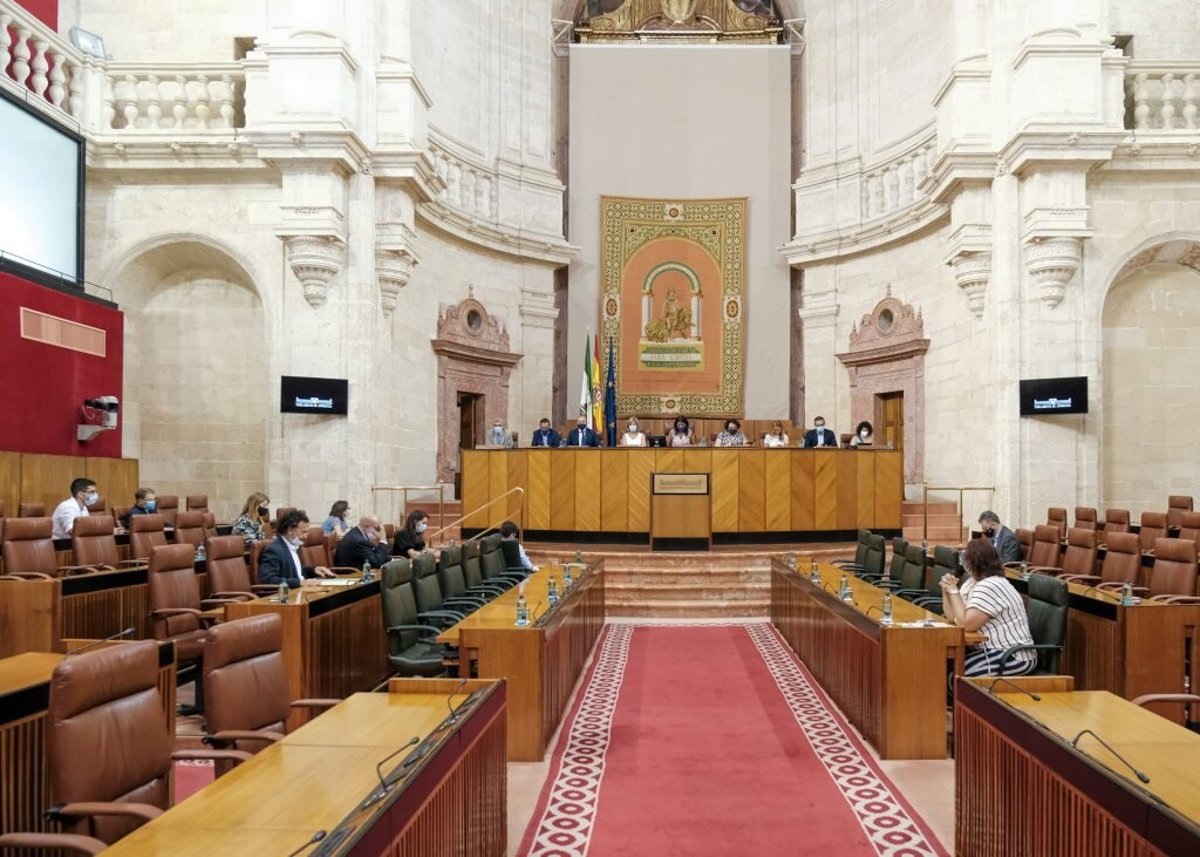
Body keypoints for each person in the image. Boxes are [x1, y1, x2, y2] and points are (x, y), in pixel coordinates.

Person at [939, 538, 1037, 676]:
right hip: (989, 650)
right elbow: (953, 617)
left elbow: (965, 624)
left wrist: (953, 590)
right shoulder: (972, 582)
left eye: (965, 559)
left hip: (1013, 654)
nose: (964, 564)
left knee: (955, 675)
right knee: (942, 667)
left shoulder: (992, 585)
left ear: (975, 563)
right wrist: (946, 590)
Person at [257, 511, 335, 587]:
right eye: (304, 532)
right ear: (290, 530)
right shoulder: (274, 550)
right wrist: (299, 583)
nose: (307, 536)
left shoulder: (294, 546)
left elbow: (296, 571)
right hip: (289, 593)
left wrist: (314, 570)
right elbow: (268, 579)